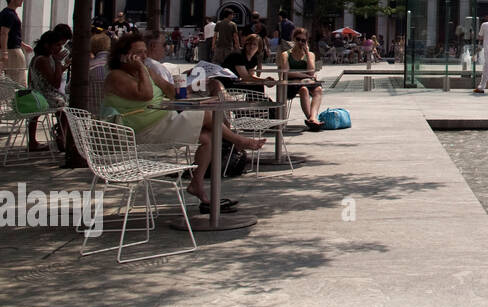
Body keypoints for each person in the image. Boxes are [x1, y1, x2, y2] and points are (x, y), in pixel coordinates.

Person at [103, 33, 265, 211]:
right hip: (141, 130)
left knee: (209, 137)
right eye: (138, 53)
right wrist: (142, 69)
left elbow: (170, 92)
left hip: (161, 121)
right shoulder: (116, 76)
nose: (143, 57)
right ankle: (238, 141)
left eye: (144, 52)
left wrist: (189, 84)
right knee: (207, 115)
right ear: (123, 56)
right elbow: (146, 95)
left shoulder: (147, 71)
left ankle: (197, 184)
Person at [27, 30, 70, 152]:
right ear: (47, 45)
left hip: (40, 94)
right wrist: (57, 62)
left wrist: (63, 66)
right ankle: (62, 137)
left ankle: (59, 136)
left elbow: (53, 75)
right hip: (42, 96)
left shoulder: (43, 58)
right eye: (57, 45)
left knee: (62, 102)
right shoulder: (42, 60)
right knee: (65, 105)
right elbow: (55, 83)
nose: (60, 48)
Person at [280, 28, 326, 127]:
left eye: (303, 40)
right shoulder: (286, 54)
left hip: (306, 81)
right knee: (303, 89)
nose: (300, 42)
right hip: (291, 83)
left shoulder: (311, 55)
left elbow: (311, 71)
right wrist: (303, 75)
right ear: (293, 39)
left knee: (318, 89)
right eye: (298, 39)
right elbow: (286, 73)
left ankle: (313, 118)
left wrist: (308, 54)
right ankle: (311, 119)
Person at [0, 0, 32, 87]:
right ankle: (17, 101)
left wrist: (23, 44)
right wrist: (4, 52)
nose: (22, 0)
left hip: (14, 48)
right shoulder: (9, 14)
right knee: (18, 80)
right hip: (12, 51)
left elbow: (12, 33)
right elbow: (4, 33)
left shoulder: (10, 13)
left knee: (14, 78)